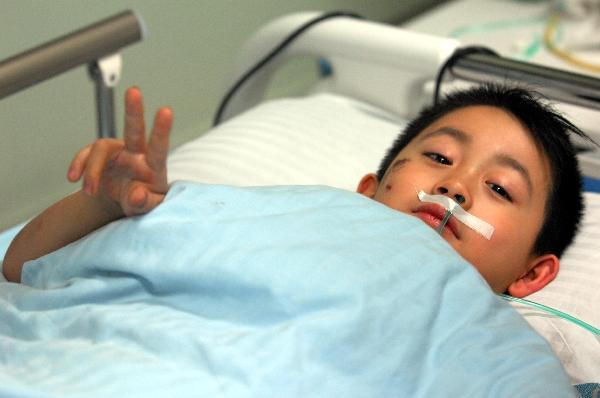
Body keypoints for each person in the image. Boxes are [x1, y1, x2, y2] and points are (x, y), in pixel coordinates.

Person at [2, 84, 592, 298]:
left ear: (531, 275)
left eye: (498, 187)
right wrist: (104, 206)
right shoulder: (262, 217)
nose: (454, 187)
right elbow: (21, 266)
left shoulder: (492, 351)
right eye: (439, 157)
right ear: (367, 192)